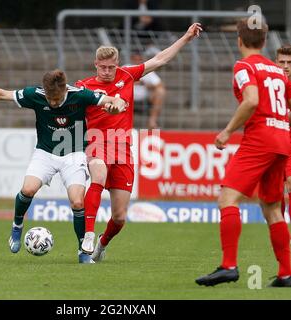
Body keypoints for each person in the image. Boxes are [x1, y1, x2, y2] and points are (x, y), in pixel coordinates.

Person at [0, 69, 127, 264]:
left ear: (64, 90)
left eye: (57, 98)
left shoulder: (80, 95)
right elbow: (2, 94)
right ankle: (17, 225)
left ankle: (82, 252)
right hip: (45, 153)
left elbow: (115, 100)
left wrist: (117, 107)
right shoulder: (35, 95)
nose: (52, 102)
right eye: (50, 98)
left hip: (74, 154)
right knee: (27, 189)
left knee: (77, 202)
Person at [75, 23, 202, 261]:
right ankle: (88, 236)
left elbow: (160, 59)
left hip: (123, 149)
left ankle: (102, 243)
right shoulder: (84, 86)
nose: (107, 72)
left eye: (111, 67)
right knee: (98, 177)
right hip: (98, 142)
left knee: (120, 216)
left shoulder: (128, 75)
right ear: (95, 65)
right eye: (102, 68)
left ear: (118, 64)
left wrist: (185, 37)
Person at [195, 19, 291, 287]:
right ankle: (286, 272)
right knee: (272, 207)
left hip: (259, 139)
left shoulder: (243, 66)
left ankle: (229, 266)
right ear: (263, 41)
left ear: (239, 40)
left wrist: (227, 131)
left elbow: (251, 100)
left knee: (227, 198)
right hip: (283, 139)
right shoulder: (277, 70)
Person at [130, 51, 166, 129]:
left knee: (160, 92)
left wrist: (145, 84)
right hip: (126, 98)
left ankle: (152, 122)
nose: (137, 61)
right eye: (135, 59)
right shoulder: (126, 68)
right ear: (131, 59)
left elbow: (160, 85)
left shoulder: (146, 70)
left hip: (144, 99)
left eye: (139, 59)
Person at [276, 45, 291, 218]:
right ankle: (277, 234)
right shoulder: (270, 85)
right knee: (274, 192)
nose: (286, 66)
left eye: (289, 62)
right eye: (282, 62)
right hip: (274, 143)